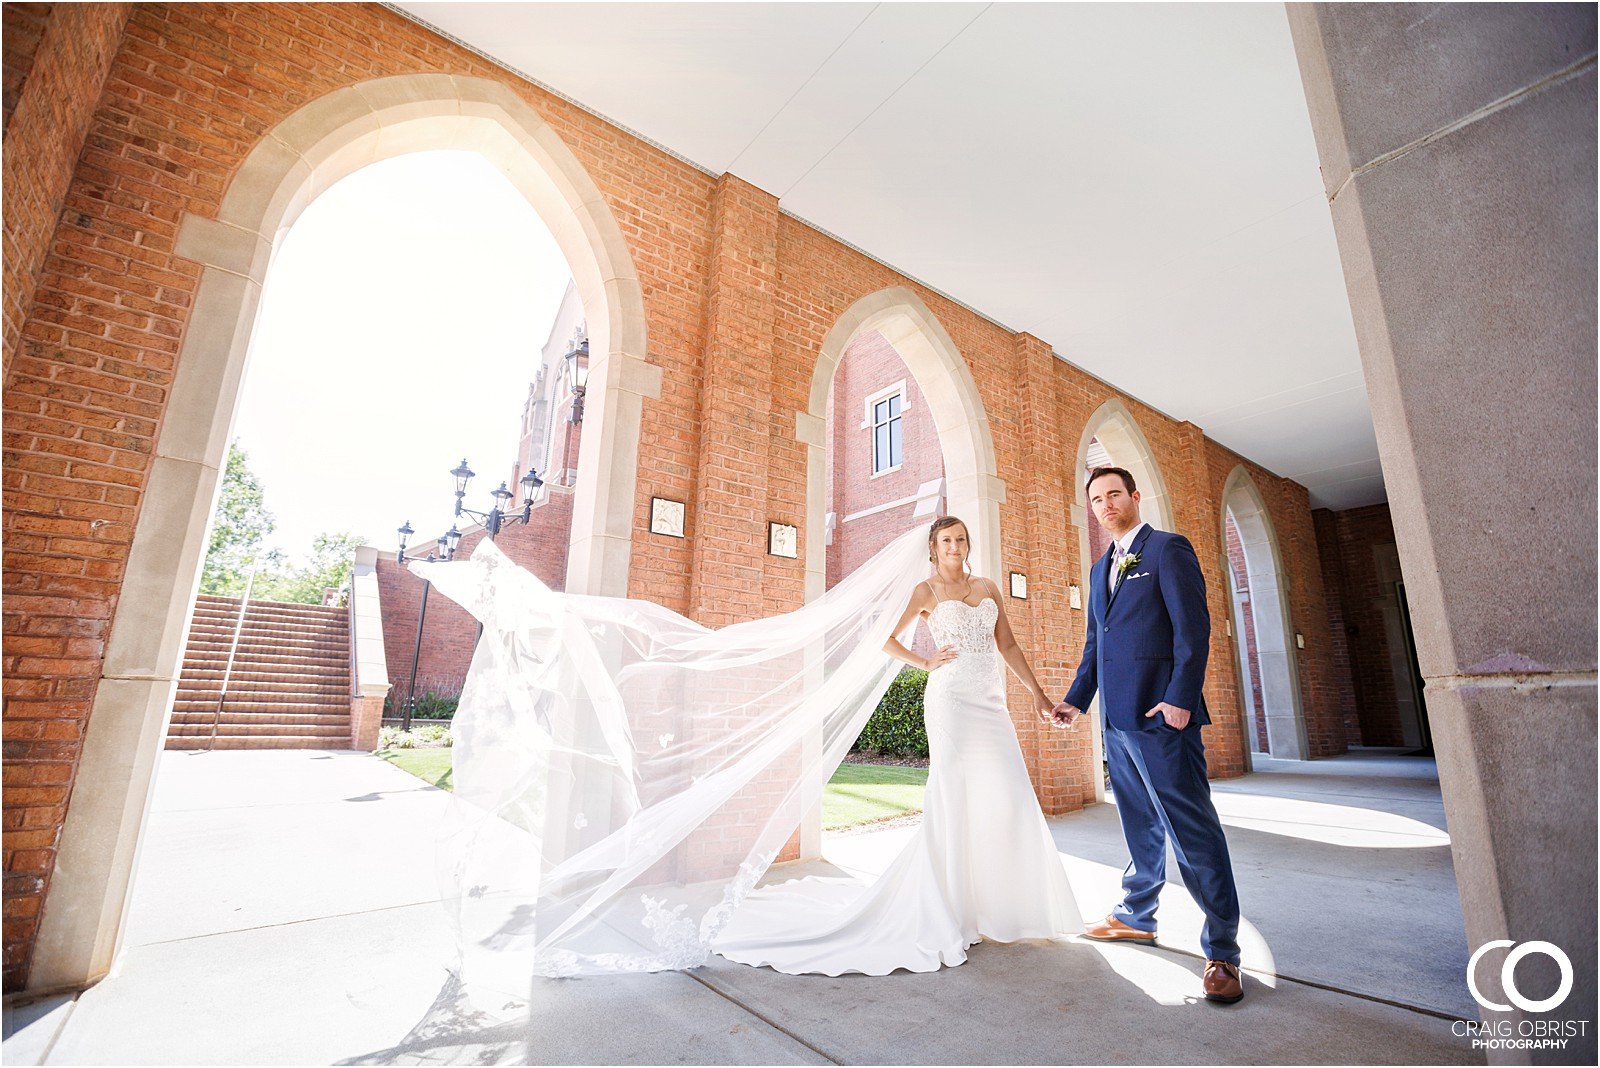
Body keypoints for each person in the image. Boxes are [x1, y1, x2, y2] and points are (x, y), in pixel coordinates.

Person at [712, 515, 1081, 973]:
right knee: (952, 796)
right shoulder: (925, 593)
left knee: (1005, 797)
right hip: (950, 700)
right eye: (947, 540)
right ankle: (949, 908)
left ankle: (999, 906)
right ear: (933, 547)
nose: (955, 545)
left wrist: (1040, 697)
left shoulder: (988, 586)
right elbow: (881, 637)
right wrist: (924, 661)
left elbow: (1007, 644)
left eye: (961, 538)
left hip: (991, 702)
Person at [1050, 465, 1244, 1004]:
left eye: (1114, 494)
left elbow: (1193, 629)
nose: (1106, 504)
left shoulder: (1167, 550)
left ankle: (1223, 951)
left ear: (1135, 496)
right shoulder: (1098, 570)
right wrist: (1076, 700)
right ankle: (1137, 915)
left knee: (1192, 830)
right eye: (1096, 499)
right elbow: (1098, 644)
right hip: (1116, 720)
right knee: (1138, 824)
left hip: (1163, 718)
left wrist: (1181, 700)